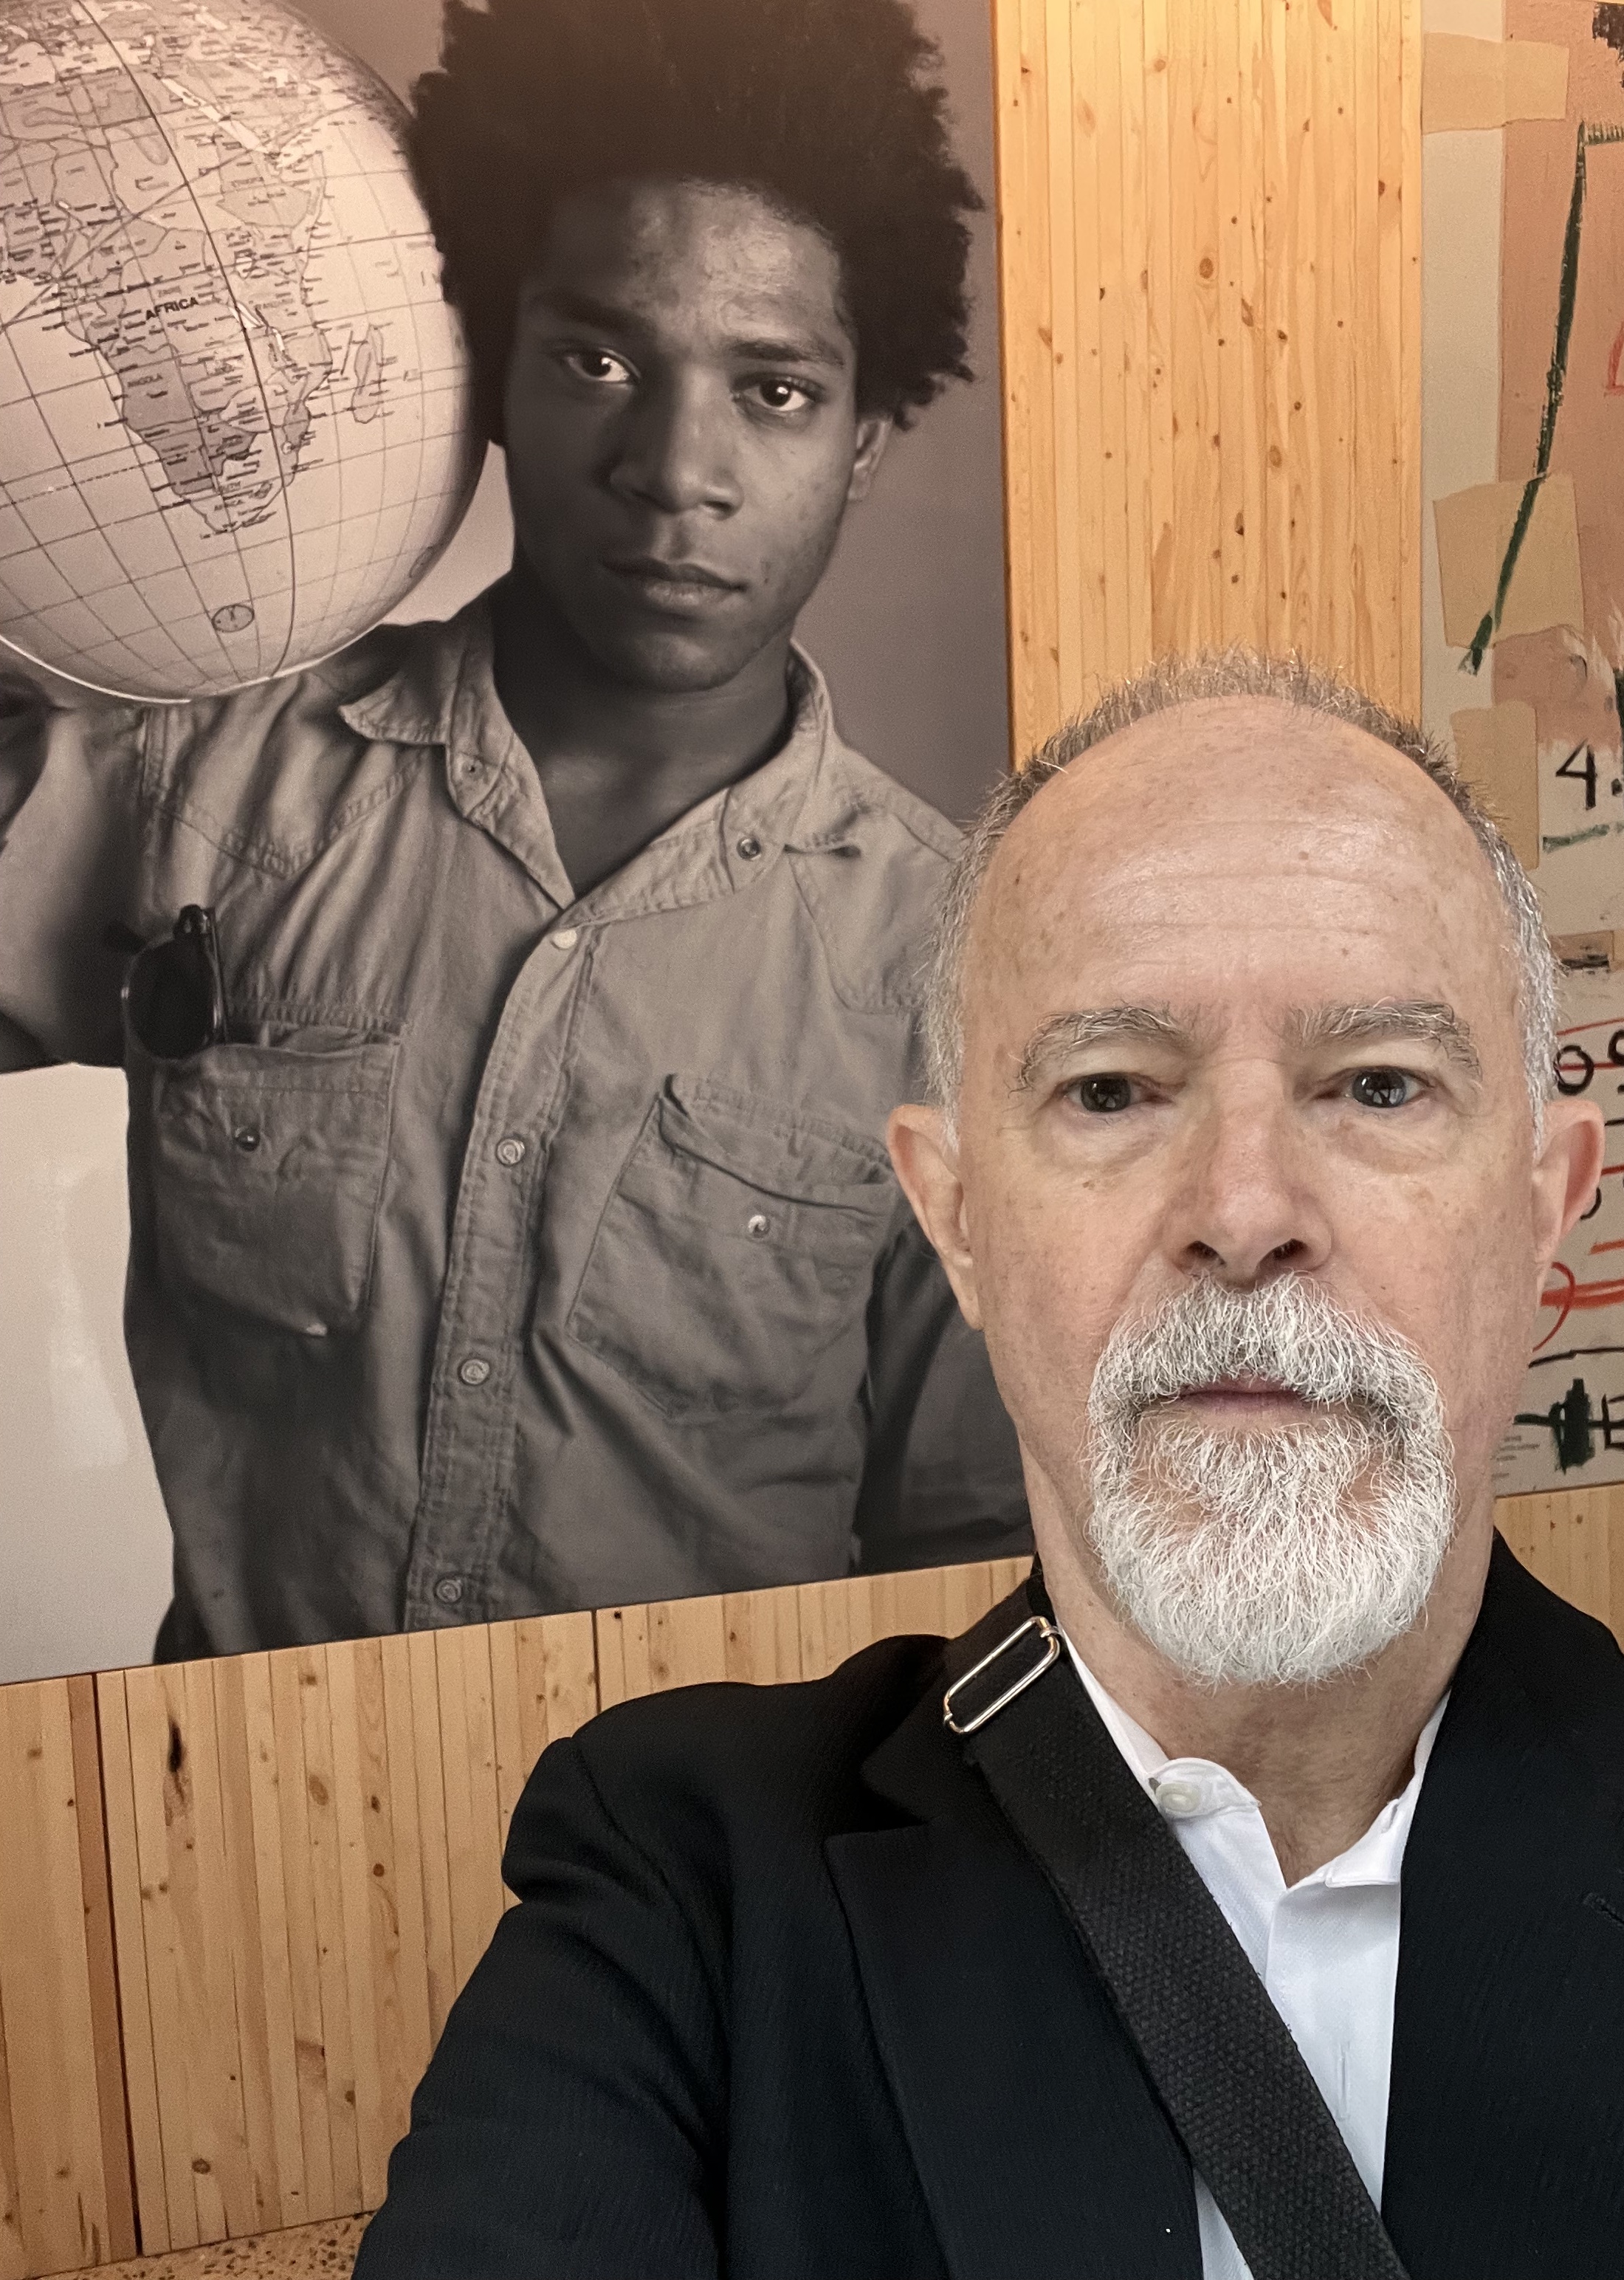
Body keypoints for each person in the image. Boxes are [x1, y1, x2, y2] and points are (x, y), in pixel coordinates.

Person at [354, 652, 1624, 2280]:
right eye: (1111, 1088)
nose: (1245, 1211)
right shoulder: (687, 1893)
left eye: (1378, 1083)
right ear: (955, 1220)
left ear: (1546, 1207)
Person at [0, 0, 1028, 1658]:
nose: (673, 469)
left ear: (865, 441)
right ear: (489, 373)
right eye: (598, 362)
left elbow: (967, 1557)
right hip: (247, 1798)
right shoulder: (200, 784)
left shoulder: (955, 968)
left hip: (709, 1821)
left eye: (773, 389)